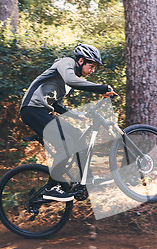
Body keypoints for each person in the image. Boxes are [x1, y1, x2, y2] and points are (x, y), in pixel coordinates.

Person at [20, 43, 118, 201]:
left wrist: (76, 115)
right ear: (80, 61)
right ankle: (52, 187)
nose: (92, 70)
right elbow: (71, 80)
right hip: (32, 109)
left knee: (78, 136)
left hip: (42, 111)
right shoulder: (66, 63)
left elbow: (56, 104)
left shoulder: (67, 79)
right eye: (91, 65)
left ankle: (87, 180)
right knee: (66, 145)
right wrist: (102, 88)